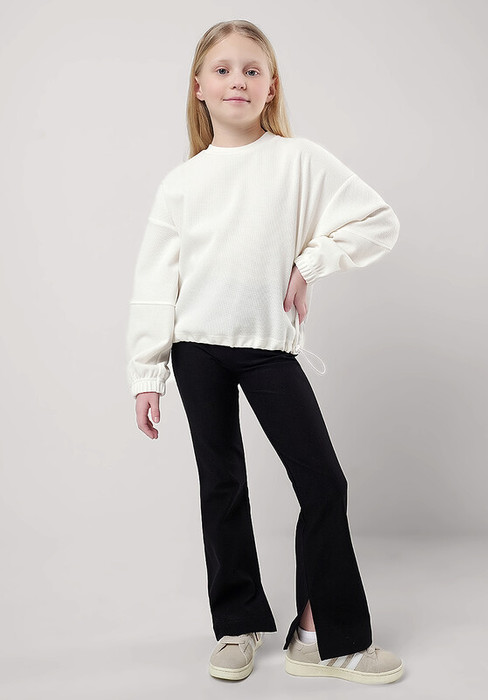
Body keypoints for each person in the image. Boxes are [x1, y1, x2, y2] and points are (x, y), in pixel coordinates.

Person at [125, 19, 404, 685]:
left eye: (252, 70)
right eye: (222, 70)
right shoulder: (181, 183)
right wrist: (146, 374)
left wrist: (310, 263)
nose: (237, 81)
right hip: (196, 350)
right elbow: (154, 283)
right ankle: (236, 626)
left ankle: (319, 633)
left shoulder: (298, 160)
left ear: (271, 86)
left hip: (267, 350)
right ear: (198, 86)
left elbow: (378, 220)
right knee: (221, 485)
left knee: (324, 483)